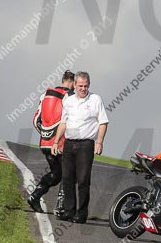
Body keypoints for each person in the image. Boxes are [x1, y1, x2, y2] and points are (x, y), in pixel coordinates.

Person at [51, 71, 108, 224]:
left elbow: (103, 122)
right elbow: (63, 122)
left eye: (86, 86)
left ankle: (81, 213)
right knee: (68, 178)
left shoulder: (95, 99)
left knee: (83, 179)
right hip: (69, 143)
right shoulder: (68, 101)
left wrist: (99, 142)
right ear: (74, 85)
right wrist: (56, 142)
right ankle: (69, 211)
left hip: (86, 144)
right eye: (80, 86)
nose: (83, 89)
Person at [27, 70, 76, 213]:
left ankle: (34, 196)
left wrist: (45, 135)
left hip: (45, 143)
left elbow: (36, 120)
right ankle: (61, 206)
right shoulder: (70, 97)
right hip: (61, 143)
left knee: (56, 175)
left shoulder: (45, 95)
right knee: (69, 174)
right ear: (72, 82)